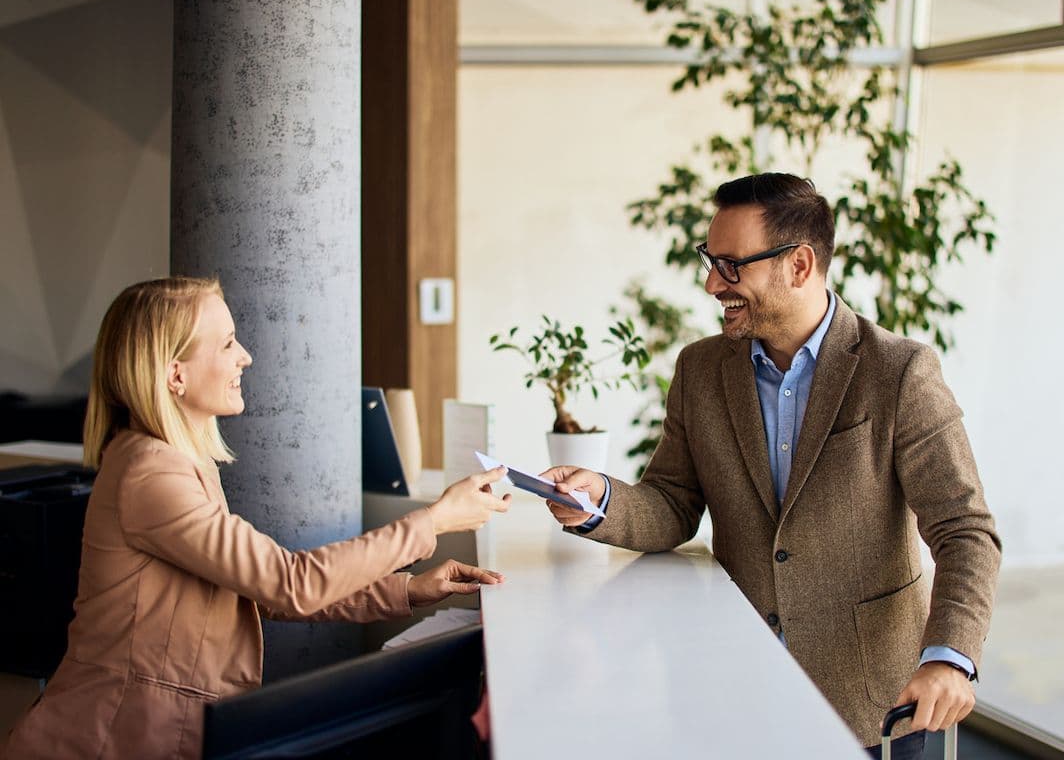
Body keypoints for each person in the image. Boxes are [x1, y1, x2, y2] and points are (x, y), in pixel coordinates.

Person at [543, 173, 1001, 758]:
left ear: (800, 265)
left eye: (732, 265)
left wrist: (949, 658)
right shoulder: (700, 370)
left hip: (872, 706)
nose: (712, 283)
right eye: (710, 261)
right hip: (734, 693)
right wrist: (600, 499)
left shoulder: (899, 371)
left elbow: (965, 531)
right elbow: (673, 502)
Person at [0, 277, 511, 760]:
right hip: (107, 737)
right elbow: (292, 583)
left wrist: (409, 590)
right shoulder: (151, 475)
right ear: (175, 374)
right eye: (226, 344)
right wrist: (436, 520)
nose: (246, 356)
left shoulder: (178, 463)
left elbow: (261, 589)